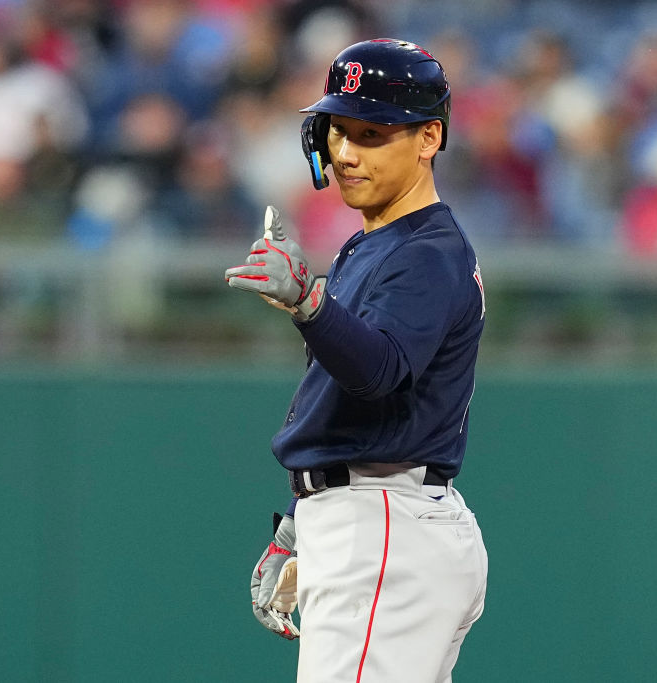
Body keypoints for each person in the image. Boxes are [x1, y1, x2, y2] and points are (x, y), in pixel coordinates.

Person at [224, 38, 488, 682]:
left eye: (371, 133)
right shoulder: (378, 242)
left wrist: (309, 301)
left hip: (384, 524)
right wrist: (298, 521)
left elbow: (381, 372)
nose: (345, 153)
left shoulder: (426, 252)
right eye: (338, 131)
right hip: (373, 518)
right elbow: (343, 397)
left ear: (428, 139)